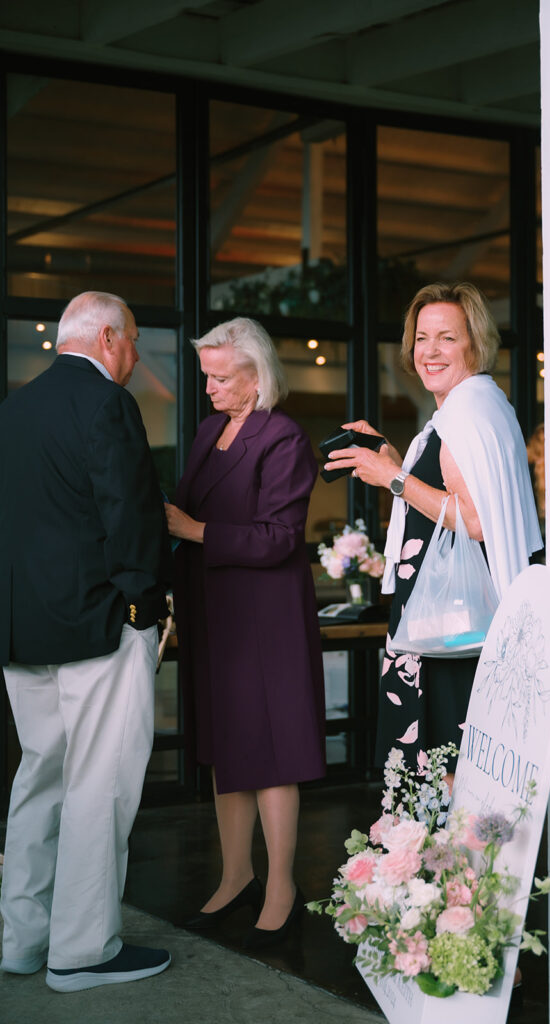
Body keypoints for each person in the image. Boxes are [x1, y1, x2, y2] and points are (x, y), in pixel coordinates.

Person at [0, 291, 173, 991]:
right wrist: (143, 608)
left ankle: (20, 939)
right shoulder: (106, 404)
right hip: (101, 625)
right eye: (131, 342)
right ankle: (81, 951)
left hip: (22, 630)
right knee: (99, 785)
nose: (133, 357)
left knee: (39, 778)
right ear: (107, 338)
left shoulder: (12, 411)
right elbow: (129, 515)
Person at [324, 282, 543, 780]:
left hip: (451, 628)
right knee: (447, 771)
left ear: (474, 342)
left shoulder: (466, 413)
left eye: (447, 337)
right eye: (422, 338)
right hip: (447, 620)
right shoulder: (474, 407)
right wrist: (396, 465)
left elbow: (476, 520)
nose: (430, 351)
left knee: (446, 770)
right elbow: (449, 496)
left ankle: (443, 859)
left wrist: (394, 479)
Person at [165, 317, 325, 949]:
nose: (208, 387)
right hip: (215, 611)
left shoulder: (283, 436)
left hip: (267, 614)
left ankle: (280, 886)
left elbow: (281, 537)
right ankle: (235, 877)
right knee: (223, 747)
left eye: (221, 376)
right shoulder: (210, 431)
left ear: (258, 378)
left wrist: (195, 532)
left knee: (270, 752)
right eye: (206, 375)